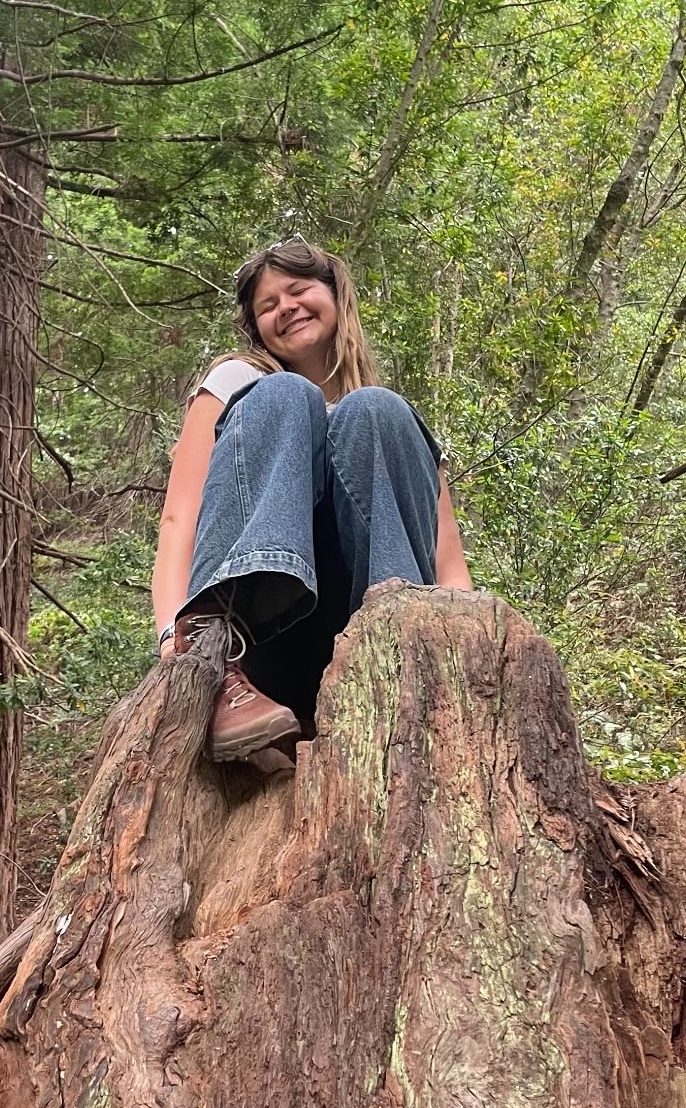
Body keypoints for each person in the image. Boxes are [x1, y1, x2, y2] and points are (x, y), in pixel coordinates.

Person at [151, 237, 472, 761]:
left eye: (298, 290)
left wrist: (469, 659)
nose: (286, 308)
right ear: (257, 328)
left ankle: (406, 658)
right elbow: (178, 519)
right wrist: (174, 640)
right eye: (268, 306)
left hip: (365, 649)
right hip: (257, 645)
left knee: (378, 410)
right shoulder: (239, 382)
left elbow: (448, 563)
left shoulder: (383, 422)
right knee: (286, 394)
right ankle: (218, 664)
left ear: (335, 295)